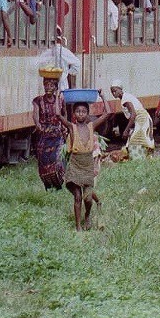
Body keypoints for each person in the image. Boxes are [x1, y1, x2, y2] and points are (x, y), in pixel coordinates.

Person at [58, 91, 113, 231]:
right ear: (74, 114)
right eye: (77, 111)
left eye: (83, 111)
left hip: (87, 165)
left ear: (87, 114)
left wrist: (103, 96)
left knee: (88, 198)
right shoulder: (72, 127)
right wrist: (59, 98)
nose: (80, 114)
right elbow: (58, 115)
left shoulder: (91, 126)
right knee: (77, 196)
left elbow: (107, 113)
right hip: (76, 164)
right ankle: (78, 227)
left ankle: (87, 215)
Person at [32, 74, 67, 190]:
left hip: (57, 135)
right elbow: (36, 117)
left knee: (56, 159)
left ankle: (58, 183)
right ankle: (47, 185)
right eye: (46, 85)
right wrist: (39, 127)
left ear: (56, 87)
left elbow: (64, 114)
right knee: (43, 161)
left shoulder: (61, 99)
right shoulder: (38, 100)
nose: (48, 87)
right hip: (44, 135)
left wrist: (64, 127)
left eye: (51, 85)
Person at [110, 80, 155, 159]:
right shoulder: (125, 97)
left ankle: (138, 159)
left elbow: (133, 114)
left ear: (120, 89)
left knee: (136, 141)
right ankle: (143, 158)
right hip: (142, 120)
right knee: (136, 140)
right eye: (112, 92)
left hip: (142, 120)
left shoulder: (125, 99)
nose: (114, 93)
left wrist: (126, 130)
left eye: (115, 91)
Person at [35, 27, 81, 91]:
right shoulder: (63, 51)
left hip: (51, 86)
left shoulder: (45, 52)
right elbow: (77, 64)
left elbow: (35, 64)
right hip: (60, 86)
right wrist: (67, 73)